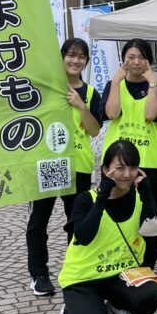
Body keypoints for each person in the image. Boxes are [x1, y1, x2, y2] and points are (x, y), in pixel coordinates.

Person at [57, 140, 157, 314]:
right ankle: (72, 311)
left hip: (119, 275)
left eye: (133, 168)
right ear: (105, 170)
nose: (126, 174)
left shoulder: (139, 197)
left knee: (153, 295)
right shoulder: (85, 200)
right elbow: (84, 236)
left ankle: (115, 308)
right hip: (84, 278)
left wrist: (148, 197)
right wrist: (103, 197)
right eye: (120, 168)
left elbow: (151, 248)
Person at [27, 38, 103, 297]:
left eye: (81, 56)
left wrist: (81, 105)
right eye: (71, 55)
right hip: (48, 163)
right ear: (61, 57)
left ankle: (76, 269)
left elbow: (94, 131)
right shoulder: (46, 87)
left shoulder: (91, 93)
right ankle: (39, 274)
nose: (75, 60)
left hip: (78, 166)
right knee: (39, 221)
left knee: (77, 222)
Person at [101, 39, 157, 269]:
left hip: (148, 162)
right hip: (115, 165)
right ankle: (119, 264)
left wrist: (152, 84)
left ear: (148, 60)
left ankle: (147, 268)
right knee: (114, 215)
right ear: (123, 60)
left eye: (141, 57)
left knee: (148, 218)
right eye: (131, 57)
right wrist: (117, 81)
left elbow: (151, 115)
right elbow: (111, 112)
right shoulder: (114, 84)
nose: (136, 62)